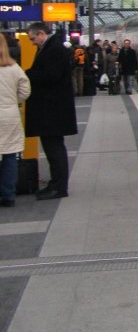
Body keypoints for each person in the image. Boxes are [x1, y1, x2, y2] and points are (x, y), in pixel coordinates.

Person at [25, 22, 77, 200]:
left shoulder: (54, 50)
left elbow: (51, 76)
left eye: (33, 39)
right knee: (52, 148)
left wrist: (27, 74)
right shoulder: (51, 48)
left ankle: (59, 186)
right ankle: (55, 183)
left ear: (41, 34)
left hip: (52, 109)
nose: (32, 42)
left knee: (54, 149)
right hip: (51, 109)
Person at [0, 37, 30, 206]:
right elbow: (25, 90)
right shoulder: (14, 67)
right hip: (9, 115)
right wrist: (13, 101)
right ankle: (8, 196)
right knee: (10, 156)